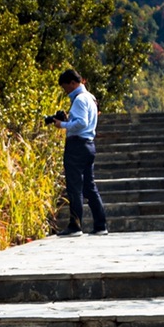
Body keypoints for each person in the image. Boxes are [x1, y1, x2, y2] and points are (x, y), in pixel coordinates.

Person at [45, 67, 107, 236]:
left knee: (74, 187)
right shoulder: (91, 98)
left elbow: (81, 122)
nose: (66, 92)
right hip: (89, 144)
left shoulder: (79, 99)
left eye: (66, 87)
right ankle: (101, 225)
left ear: (73, 83)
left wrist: (62, 125)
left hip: (77, 146)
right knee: (89, 187)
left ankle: (75, 226)